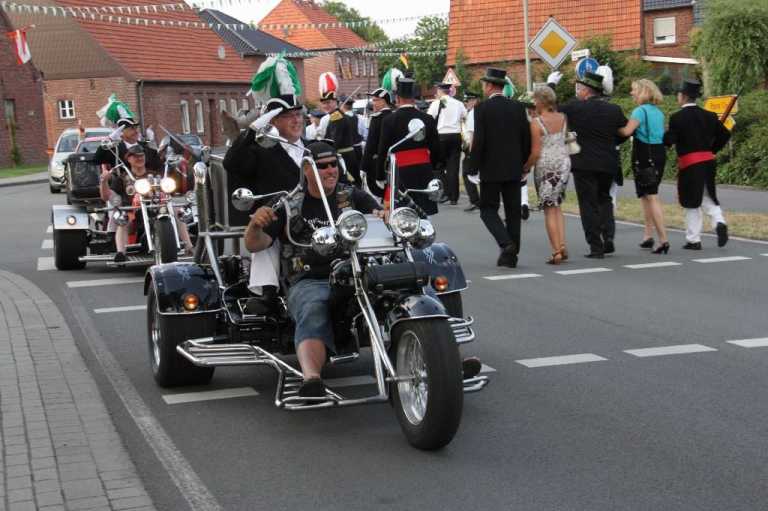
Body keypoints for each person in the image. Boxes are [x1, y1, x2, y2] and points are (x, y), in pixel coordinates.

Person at [244, 141, 386, 397]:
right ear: (306, 170)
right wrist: (254, 225)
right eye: (322, 166)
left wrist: (384, 215)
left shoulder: (351, 195)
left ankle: (439, 353)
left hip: (358, 272)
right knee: (313, 309)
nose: (330, 170)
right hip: (310, 279)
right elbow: (256, 244)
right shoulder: (288, 204)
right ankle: (312, 378)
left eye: (333, 164)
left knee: (403, 288)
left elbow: (379, 216)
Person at [223, 94, 306, 296]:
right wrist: (254, 129)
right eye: (288, 116)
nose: (296, 120)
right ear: (273, 122)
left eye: (298, 114)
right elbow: (231, 162)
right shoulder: (260, 151)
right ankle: (266, 294)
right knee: (267, 237)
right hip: (279, 220)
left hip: (315, 216)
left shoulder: (315, 147)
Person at [560, 72, 628, 258]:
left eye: (579, 89)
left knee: (588, 204)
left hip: (584, 163)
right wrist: (611, 142)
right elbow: (624, 132)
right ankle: (609, 236)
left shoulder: (575, 108)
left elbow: (553, 109)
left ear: (586, 90)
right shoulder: (614, 109)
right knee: (604, 198)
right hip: (608, 162)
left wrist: (551, 85)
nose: (578, 92)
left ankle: (596, 245)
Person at [468, 67, 531, 268]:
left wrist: (472, 167)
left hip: (491, 168)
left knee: (487, 209)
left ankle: (506, 243)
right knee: (513, 212)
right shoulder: (518, 107)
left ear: (489, 85)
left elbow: (479, 141)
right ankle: (511, 256)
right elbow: (526, 138)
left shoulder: (481, 108)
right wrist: (524, 165)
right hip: (513, 167)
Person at [664, 79, 731, 250]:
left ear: (683, 96)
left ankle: (693, 239)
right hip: (708, 161)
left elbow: (670, 140)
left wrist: (665, 136)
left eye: (678, 94)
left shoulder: (677, 117)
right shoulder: (710, 116)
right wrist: (713, 149)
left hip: (690, 164)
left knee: (691, 201)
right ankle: (719, 221)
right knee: (707, 196)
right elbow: (725, 134)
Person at [100, 145, 192, 262]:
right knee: (123, 220)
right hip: (134, 215)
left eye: (141, 155)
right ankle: (121, 253)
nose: (139, 158)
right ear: (129, 159)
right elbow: (106, 197)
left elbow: (168, 191)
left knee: (177, 211)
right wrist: (104, 181)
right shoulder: (122, 178)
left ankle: (189, 247)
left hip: (157, 209)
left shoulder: (155, 175)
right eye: (135, 156)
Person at [376, 78, 443, 216]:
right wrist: (433, 167)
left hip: (400, 172)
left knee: (402, 213)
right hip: (424, 170)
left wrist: (379, 175)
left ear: (397, 98)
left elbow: (382, 151)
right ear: (413, 98)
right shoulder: (427, 119)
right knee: (424, 212)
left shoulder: (388, 120)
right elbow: (436, 149)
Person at [618, 79, 670, 254]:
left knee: (651, 196)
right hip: (658, 154)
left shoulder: (639, 111)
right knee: (646, 196)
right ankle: (648, 235)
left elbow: (626, 131)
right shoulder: (658, 112)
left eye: (634, 90)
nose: (631, 93)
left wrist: (614, 127)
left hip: (644, 155)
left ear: (643, 92)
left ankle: (663, 239)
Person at [523, 86, 571, 265]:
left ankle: (556, 251)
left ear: (540, 101)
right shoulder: (563, 117)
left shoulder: (537, 123)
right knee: (557, 205)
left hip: (546, 166)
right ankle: (562, 244)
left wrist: (526, 167)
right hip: (564, 163)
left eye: (535, 100)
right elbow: (566, 140)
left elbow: (535, 152)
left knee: (549, 208)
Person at [428, 83, 466, 205]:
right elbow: (464, 116)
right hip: (455, 136)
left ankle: (446, 192)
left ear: (440, 91)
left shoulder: (436, 103)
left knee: (437, 167)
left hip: (441, 136)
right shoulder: (458, 103)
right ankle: (454, 197)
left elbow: (429, 118)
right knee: (453, 168)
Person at [319, 93, 362, 187]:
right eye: (324, 103)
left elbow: (334, 141)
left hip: (344, 157)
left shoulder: (336, 117)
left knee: (347, 186)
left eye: (328, 102)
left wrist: (324, 152)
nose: (326, 105)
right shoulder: (335, 115)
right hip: (346, 155)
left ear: (336, 102)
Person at [95, 117, 162, 172]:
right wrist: (110, 138)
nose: (136, 131)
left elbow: (158, 167)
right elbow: (97, 160)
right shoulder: (116, 150)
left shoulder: (145, 147)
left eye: (136, 128)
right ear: (121, 132)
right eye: (132, 129)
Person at [361, 87, 394, 197]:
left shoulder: (377, 118)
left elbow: (370, 145)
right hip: (393, 163)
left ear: (384, 101)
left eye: (375, 100)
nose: (373, 103)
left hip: (376, 164)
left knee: (376, 196)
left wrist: (364, 167)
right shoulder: (394, 116)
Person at [460, 91, 481, 212]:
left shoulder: (473, 113)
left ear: (474, 100)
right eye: (465, 101)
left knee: (467, 173)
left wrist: (471, 152)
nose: (466, 103)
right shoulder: (475, 111)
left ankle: (475, 201)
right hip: (476, 146)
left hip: (472, 147)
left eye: (468, 101)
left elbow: (473, 134)